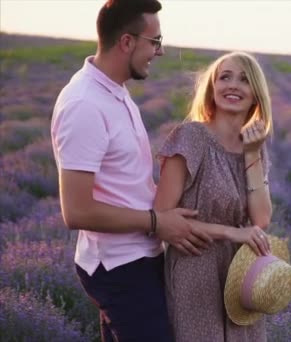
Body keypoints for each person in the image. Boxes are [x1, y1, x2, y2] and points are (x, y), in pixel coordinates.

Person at [50, 0, 212, 340]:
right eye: (155, 41)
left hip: (138, 257)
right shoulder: (84, 104)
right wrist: (157, 222)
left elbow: (126, 183)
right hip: (119, 266)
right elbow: (76, 211)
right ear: (127, 42)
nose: (160, 51)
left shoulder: (115, 92)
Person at [153, 51, 274, 341]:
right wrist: (232, 233)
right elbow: (161, 217)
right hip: (196, 267)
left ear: (256, 94)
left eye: (244, 80)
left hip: (240, 272)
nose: (233, 85)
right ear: (212, 87)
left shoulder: (254, 145)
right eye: (225, 77)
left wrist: (252, 152)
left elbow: (261, 219)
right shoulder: (191, 137)